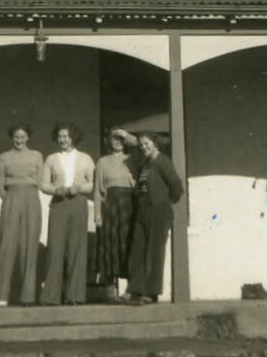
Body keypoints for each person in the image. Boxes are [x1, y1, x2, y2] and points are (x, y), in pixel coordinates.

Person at [121, 130, 183, 306]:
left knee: (154, 252)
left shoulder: (162, 161)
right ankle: (135, 289)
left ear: (155, 143)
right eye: (141, 144)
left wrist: (163, 202)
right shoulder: (146, 164)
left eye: (147, 143)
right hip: (143, 210)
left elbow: (177, 187)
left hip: (159, 211)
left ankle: (151, 293)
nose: (143, 147)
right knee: (138, 249)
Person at [38, 121, 95, 306]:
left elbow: (93, 184)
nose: (62, 139)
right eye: (60, 136)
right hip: (59, 205)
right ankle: (51, 296)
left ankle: (75, 296)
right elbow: (43, 184)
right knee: (55, 248)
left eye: (66, 136)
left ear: (73, 137)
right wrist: (57, 190)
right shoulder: (51, 159)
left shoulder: (85, 158)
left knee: (76, 249)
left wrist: (79, 187)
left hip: (78, 204)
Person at [0, 124, 43, 306]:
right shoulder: (4, 157)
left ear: (28, 137)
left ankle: (27, 296)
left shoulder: (37, 156)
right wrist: (12, 199)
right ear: (12, 138)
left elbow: (40, 181)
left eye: (23, 137)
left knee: (29, 245)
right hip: (11, 198)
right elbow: (1, 188)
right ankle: (1, 295)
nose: (19, 140)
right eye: (16, 137)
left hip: (31, 199)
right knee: (7, 245)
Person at [93, 127, 135, 299]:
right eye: (114, 139)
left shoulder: (132, 159)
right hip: (109, 206)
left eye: (120, 139)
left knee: (128, 244)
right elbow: (97, 191)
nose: (117, 142)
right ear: (108, 141)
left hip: (128, 205)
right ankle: (110, 289)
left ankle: (131, 290)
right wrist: (97, 214)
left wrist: (125, 133)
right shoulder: (102, 162)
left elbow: (140, 145)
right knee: (109, 244)